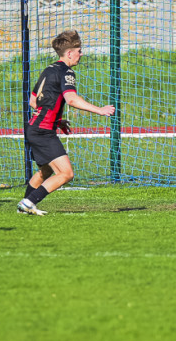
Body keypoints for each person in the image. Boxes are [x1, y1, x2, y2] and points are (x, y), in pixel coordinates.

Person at [17, 29, 115, 216]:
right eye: (79, 50)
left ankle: (26, 206)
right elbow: (71, 99)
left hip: (36, 127)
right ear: (69, 53)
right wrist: (100, 110)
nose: (81, 54)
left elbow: (33, 101)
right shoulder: (66, 71)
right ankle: (28, 203)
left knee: (45, 171)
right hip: (43, 131)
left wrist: (57, 119)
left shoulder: (49, 69)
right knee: (66, 174)